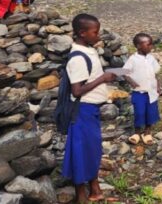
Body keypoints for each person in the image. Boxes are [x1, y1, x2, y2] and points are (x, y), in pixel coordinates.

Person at [61, 14, 117, 204]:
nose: (98, 35)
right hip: (82, 111)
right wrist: (103, 79)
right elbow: (77, 91)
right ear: (82, 33)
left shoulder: (88, 50)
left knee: (92, 149)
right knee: (80, 150)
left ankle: (94, 187)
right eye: (95, 32)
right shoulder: (77, 58)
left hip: (90, 111)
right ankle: (81, 194)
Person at [124, 33, 162, 146]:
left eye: (151, 44)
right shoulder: (133, 59)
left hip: (151, 91)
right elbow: (124, 72)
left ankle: (147, 132)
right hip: (139, 92)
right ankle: (137, 132)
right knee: (139, 112)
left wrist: (158, 87)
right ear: (138, 46)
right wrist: (132, 83)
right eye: (148, 44)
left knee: (151, 112)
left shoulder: (151, 58)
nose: (151, 47)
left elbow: (156, 73)